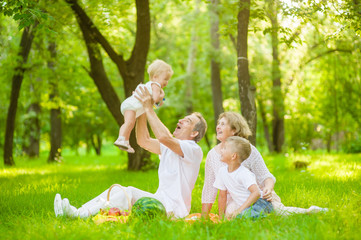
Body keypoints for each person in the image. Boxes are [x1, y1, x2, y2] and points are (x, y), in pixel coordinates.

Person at [54, 86, 207, 219]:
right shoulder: (170, 147)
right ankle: (77, 211)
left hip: (174, 210)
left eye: (187, 121)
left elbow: (163, 137)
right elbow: (143, 140)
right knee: (117, 190)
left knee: (128, 193)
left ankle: (77, 216)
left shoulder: (193, 149)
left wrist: (149, 108)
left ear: (194, 133)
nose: (180, 120)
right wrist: (139, 110)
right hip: (160, 200)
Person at [201, 112, 327, 218]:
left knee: (278, 212)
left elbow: (266, 176)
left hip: (257, 196)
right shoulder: (212, 156)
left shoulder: (249, 150)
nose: (218, 127)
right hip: (234, 200)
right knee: (232, 213)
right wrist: (204, 218)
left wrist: (268, 188)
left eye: (223, 124)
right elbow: (209, 190)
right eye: (218, 123)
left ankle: (310, 212)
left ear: (234, 130)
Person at [114, 59, 174, 153]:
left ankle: (123, 140)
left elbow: (152, 105)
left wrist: (158, 102)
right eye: (165, 79)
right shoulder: (156, 85)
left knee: (129, 123)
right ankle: (121, 139)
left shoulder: (150, 85)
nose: (166, 82)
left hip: (131, 106)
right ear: (155, 77)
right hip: (132, 105)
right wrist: (161, 97)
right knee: (129, 123)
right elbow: (155, 98)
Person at [214, 136, 273, 220]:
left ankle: (265, 217)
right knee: (234, 217)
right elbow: (222, 196)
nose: (221, 150)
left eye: (225, 148)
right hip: (248, 206)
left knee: (241, 216)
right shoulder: (222, 172)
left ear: (233, 156)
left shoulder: (244, 173)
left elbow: (256, 193)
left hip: (260, 203)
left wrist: (239, 210)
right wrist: (220, 218)